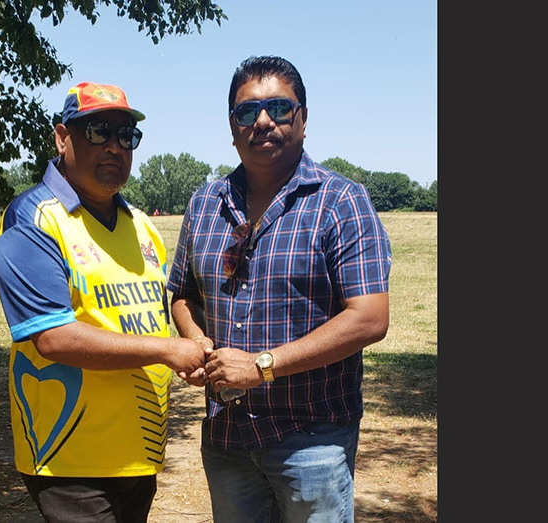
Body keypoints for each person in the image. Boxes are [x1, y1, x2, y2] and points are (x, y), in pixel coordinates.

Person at [167, 55, 392, 523]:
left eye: (279, 108)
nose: (263, 120)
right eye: (248, 112)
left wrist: (262, 367)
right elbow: (182, 293)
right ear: (232, 127)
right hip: (226, 438)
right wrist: (194, 338)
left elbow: (369, 317)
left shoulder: (341, 201)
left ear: (303, 120)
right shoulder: (205, 203)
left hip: (312, 439)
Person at [0, 81, 207, 523]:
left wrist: (192, 343)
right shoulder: (32, 220)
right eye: (98, 131)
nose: (114, 146)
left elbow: (152, 313)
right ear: (62, 137)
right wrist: (168, 350)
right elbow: (54, 338)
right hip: (72, 458)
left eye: (126, 135)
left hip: (139, 452)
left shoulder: (141, 226)